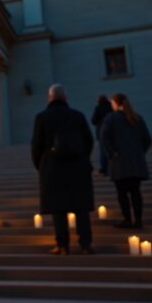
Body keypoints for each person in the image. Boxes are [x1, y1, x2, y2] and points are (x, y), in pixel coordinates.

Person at [32, 84, 95, 255]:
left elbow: (36, 146)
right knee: (80, 207)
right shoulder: (78, 116)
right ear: (65, 98)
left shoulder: (42, 117)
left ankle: (62, 244)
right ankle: (86, 243)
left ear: (50, 98)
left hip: (53, 168)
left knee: (58, 208)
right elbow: (88, 140)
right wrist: (82, 158)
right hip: (77, 167)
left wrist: (42, 165)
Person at [100, 93, 152, 230]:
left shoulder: (111, 118)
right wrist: (139, 153)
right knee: (135, 192)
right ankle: (138, 220)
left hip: (119, 163)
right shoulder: (137, 118)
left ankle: (127, 219)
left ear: (115, 103)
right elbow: (147, 140)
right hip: (136, 163)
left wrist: (112, 154)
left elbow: (104, 138)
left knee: (122, 193)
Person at [91, 95, 113, 175]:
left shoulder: (98, 107)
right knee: (112, 149)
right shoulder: (111, 106)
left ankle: (104, 169)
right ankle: (113, 167)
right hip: (111, 132)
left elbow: (93, 120)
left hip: (101, 132)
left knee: (103, 151)